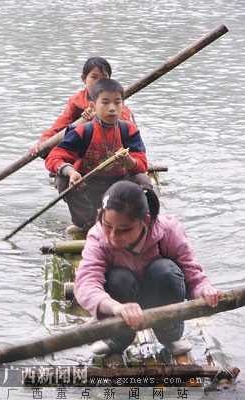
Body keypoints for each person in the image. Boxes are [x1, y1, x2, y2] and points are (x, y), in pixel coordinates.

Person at [74, 180, 221, 356]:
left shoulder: (169, 230)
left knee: (165, 270)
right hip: (123, 303)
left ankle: (170, 334)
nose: (112, 236)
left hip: (160, 299)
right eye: (107, 225)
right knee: (119, 278)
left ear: (145, 220)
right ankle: (115, 338)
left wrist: (203, 290)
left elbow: (193, 275)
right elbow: (86, 283)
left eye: (124, 229)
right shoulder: (98, 237)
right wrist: (115, 308)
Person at [45, 78, 152, 234]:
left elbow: (142, 164)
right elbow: (54, 158)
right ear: (93, 106)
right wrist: (71, 172)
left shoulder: (128, 130)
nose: (112, 109)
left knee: (144, 180)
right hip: (89, 187)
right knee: (62, 179)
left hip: (119, 188)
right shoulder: (82, 131)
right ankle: (88, 223)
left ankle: (137, 222)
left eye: (117, 103)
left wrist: (129, 161)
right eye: (105, 102)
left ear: (123, 105)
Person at [29, 56, 135, 156]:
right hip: (86, 146)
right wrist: (41, 142)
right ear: (84, 79)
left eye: (104, 78)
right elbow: (59, 127)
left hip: (113, 146)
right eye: (94, 77)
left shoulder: (116, 99)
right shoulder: (76, 101)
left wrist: (97, 116)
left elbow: (126, 124)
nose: (99, 82)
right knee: (52, 151)